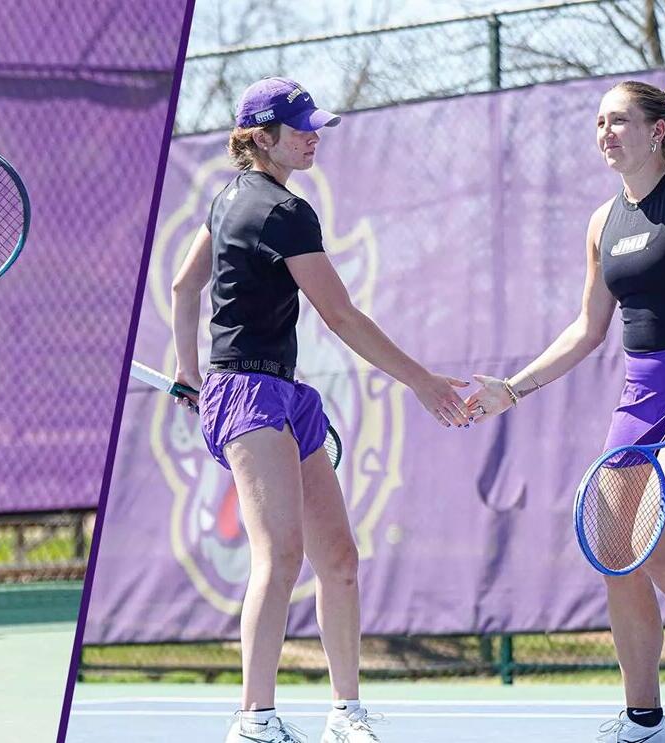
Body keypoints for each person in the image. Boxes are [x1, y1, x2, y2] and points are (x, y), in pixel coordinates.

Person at [170, 76, 471, 743]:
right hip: (248, 392)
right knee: (279, 555)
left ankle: (344, 711)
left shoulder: (227, 204)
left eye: (314, 125)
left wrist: (190, 370)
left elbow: (183, 284)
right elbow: (339, 314)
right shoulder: (282, 212)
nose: (313, 136)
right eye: (300, 126)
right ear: (261, 137)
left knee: (338, 556)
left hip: (278, 391)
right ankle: (254, 720)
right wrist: (421, 381)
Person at [465, 81, 665, 743]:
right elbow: (587, 329)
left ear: (657, 130)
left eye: (620, 121)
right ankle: (645, 721)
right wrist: (513, 387)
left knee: (663, 554)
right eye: (599, 123)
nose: (606, 133)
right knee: (619, 554)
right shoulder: (601, 222)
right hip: (642, 398)